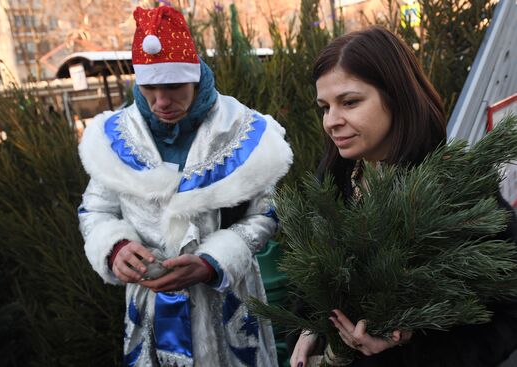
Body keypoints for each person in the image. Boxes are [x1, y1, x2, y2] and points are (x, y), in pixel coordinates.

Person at [77, 5, 292, 367]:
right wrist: (115, 247)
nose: (161, 102)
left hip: (230, 310)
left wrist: (214, 261)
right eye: (149, 87)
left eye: (174, 86)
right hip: (149, 313)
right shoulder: (114, 136)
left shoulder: (242, 128)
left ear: (195, 76)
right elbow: (96, 210)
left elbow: (266, 213)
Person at [290, 26, 517, 367]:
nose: (331, 122)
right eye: (325, 107)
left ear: (396, 96)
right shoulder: (333, 174)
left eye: (350, 102)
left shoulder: (457, 186)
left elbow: (505, 315)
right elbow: (314, 274)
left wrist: (408, 347)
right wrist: (310, 331)